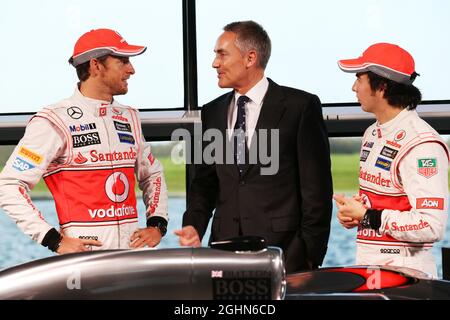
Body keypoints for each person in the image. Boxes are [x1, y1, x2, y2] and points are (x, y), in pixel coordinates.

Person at [175, 21, 333, 273]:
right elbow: (204, 182)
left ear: (250, 58)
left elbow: (317, 193)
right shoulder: (212, 111)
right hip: (222, 252)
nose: (215, 64)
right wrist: (194, 225)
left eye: (222, 54)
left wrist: (309, 256)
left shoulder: (300, 107)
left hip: (285, 254)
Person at [0, 28, 168, 254]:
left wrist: (157, 223)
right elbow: (9, 185)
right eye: (122, 61)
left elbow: (152, 174)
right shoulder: (53, 120)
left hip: (132, 258)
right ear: (95, 65)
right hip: (83, 264)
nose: (132, 70)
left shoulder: (129, 117)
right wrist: (53, 240)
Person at [334, 43, 449, 277]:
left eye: (359, 79)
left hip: (407, 275)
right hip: (370, 267)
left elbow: (431, 225)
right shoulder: (372, 132)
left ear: (382, 86)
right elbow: (383, 205)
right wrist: (357, 214)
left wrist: (367, 216)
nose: (354, 87)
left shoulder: (422, 145)